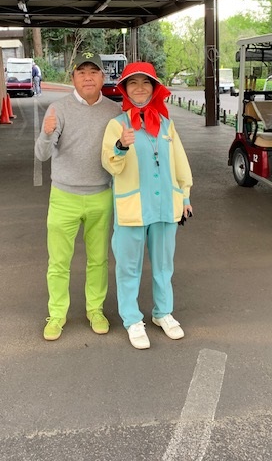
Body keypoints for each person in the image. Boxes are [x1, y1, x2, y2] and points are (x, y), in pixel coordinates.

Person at [102, 62, 193, 350]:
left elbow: (179, 162)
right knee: (129, 267)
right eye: (133, 83)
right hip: (132, 208)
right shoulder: (117, 125)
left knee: (164, 265)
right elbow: (111, 165)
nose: (139, 88)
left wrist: (185, 196)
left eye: (145, 82)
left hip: (165, 205)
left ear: (154, 88)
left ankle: (163, 312)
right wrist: (121, 145)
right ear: (125, 90)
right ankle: (132, 319)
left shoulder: (166, 124)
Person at [35, 52, 121, 341]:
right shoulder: (58, 109)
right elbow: (42, 154)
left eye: (93, 72)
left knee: (98, 260)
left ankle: (95, 310)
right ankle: (57, 314)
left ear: (103, 77)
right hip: (64, 196)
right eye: (81, 72)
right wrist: (47, 134)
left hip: (101, 196)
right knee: (59, 262)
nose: (88, 77)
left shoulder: (114, 111)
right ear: (72, 77)